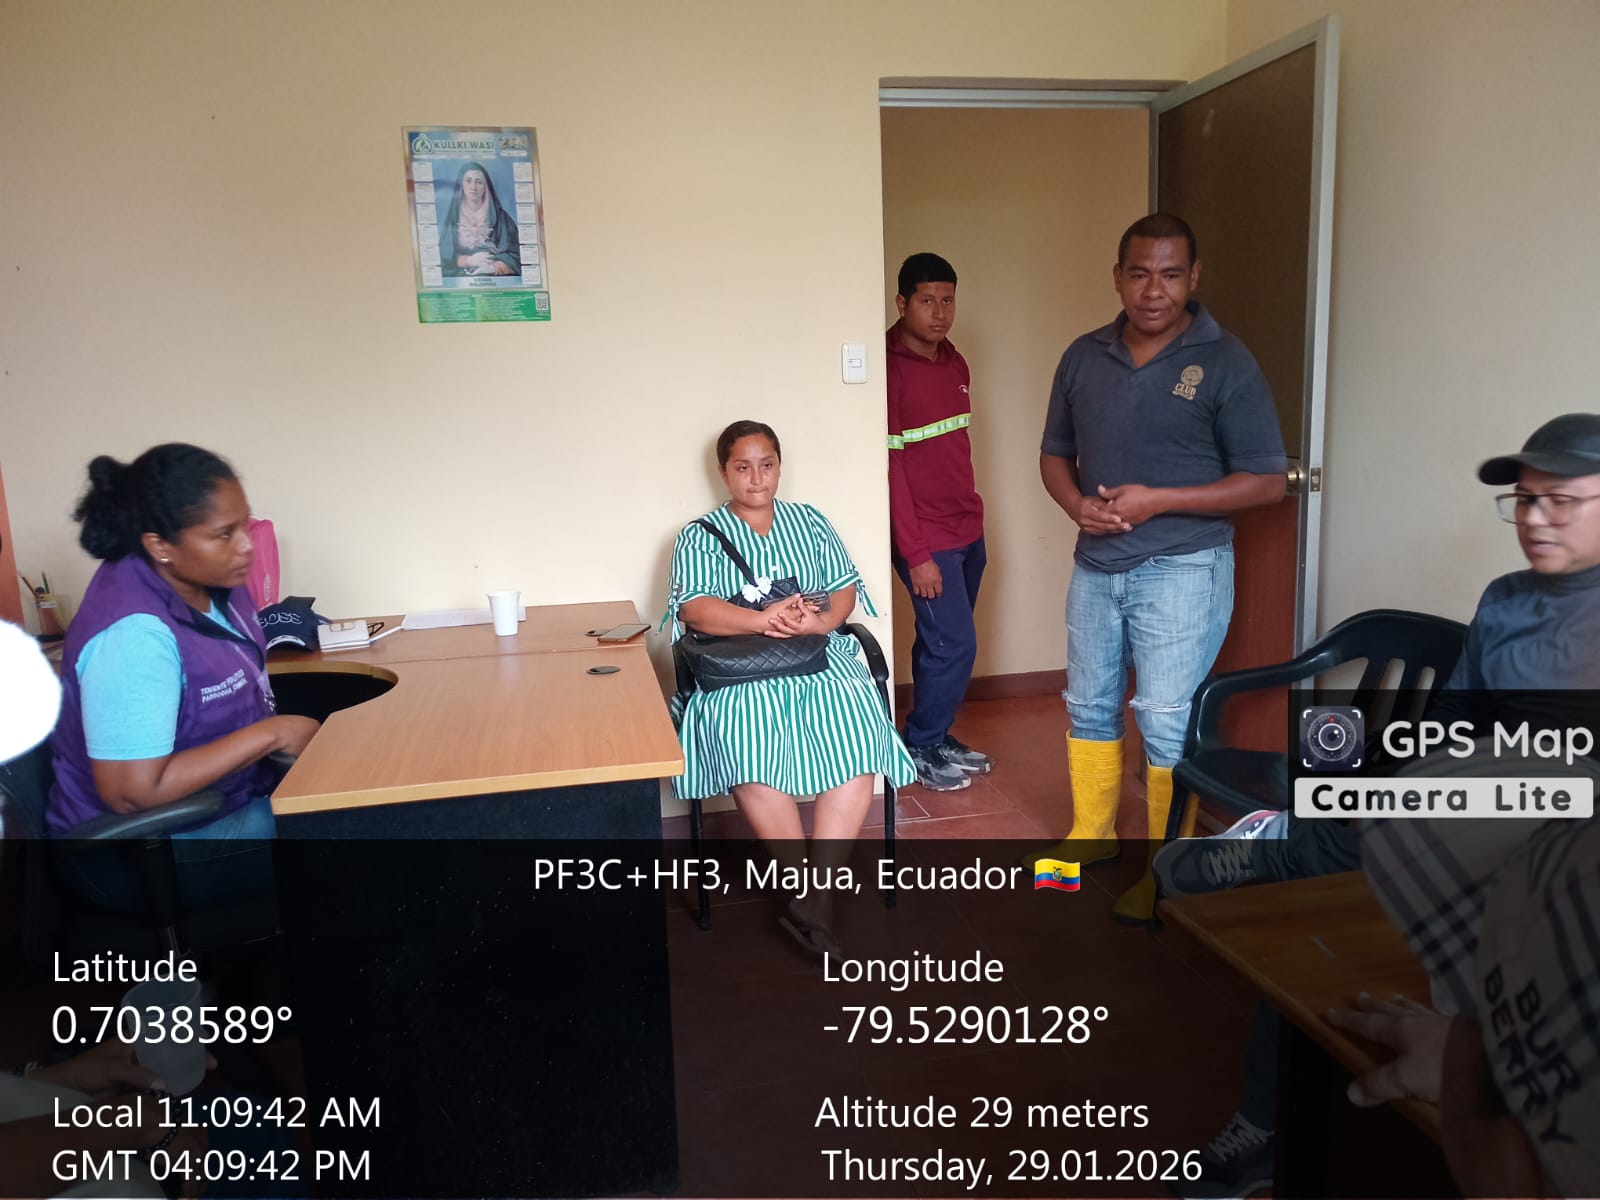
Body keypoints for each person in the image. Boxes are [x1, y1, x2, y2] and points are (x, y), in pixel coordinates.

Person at [1158, 412, 1600, 1199]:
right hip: (1479, 789)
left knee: (1346, 843)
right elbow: (1456, 715)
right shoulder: (1506, 599)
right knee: (1334, 776)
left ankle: (1282, 848)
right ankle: (1265, 1120)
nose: (1535, 519)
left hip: (1555, 832)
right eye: (1525, 501)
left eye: (1560, 501)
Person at [1033, 212, 1287, 922]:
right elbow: (1053, 454)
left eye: (1171, 275)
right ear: (1118, 276)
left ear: (1193, 277)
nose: (1154, 290)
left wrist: (1158, 500)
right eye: (1140, 274)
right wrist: (1076, 505)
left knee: (1167, 723)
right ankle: (1092, 835)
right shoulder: (1084, 356)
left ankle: (1165, 869)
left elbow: (1267, 482)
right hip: (1096, 566)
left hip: (1184, 567)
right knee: (1088, 705)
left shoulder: (1227, 360)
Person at [669, 421, 916, 956]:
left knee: (859, 732)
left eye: (767, 465)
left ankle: (814, 898)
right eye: (743, 467)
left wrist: (817, 623)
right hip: (740, 674)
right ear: (723, 472)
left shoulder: (810, 521)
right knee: (741, 738)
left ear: (779, 466)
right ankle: (811, 894)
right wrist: (763, 620)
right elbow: (695, 610)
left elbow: (845, 590)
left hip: (818, 658)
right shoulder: (700, 535)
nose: (756, 477)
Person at [47, 443, 319, 909]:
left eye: (244, 525)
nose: (247, 545)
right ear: (159, 546)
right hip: (143, 851)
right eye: (224, 534)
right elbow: (133, 794)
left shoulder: (213, 583)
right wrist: (272, 734)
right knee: (360, 835)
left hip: (224, 802)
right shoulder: (133, 636)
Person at [886, 252, 991, 792]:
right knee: (954, 644)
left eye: (947, 300)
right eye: (927, 301)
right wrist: (916, 553)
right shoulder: (887, 369)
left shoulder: (955, 362)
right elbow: (892, 468)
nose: (939, 312)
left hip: (967, 527)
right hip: (926, 538)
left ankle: (935, 733)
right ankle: (920, 745)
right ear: (902, 303)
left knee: (940, 643)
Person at [439, 160, 520, 277]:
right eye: (468, 181)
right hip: (461, 279)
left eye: (479, 182)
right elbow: (443, 258)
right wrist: (468, 260)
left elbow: (516, 257)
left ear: (485, 186)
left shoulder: (502, 219)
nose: (474, 187)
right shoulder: (453, 218)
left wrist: (492, 267)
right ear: (461, 184)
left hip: (494, 280)